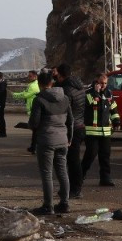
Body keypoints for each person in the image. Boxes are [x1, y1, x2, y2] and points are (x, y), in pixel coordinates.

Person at [28, 70, 72, 215]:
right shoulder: (65, 98)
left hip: (46, 140)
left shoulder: (39, 99)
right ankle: (64, 203)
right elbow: (70, 121)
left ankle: (48, 206)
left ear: (40, 84)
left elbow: (34, 122)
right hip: (63, 140)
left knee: (47, 174)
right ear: (52, 82)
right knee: (62, 171)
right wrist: (69, 139)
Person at [53, 64, 88, 198]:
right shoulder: (79, 86)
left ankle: (75, 189)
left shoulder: (65, 90)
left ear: (60, 75)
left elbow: (63, 111)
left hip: (71, 128)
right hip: (79, 125)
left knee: (71, 161)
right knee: (72, 160)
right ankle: (71, 188)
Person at [83, 72, 120, 186]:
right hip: (92, 132)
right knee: (90, 156)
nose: (103, 85)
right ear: (96, 82)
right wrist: (96, 92)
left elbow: (113, 109)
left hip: (106, 132)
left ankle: (105, 179)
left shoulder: (109, 94)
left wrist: (116, 121)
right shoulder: (89, 93)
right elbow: (89, 103)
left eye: (105, 83)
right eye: (101, 83)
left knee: (105, 157)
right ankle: (79, 177)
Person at [12, 70, 40, 149]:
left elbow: (25, 94)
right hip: (32, 108)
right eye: (28, 76)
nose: (29, 77)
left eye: (30, 76)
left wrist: (14, 95)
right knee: (35, 129)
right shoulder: (32, 84)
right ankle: (34, 146)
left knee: (35, 130)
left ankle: (34, 147)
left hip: (33, 109)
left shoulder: (33, 86)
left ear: (35, 76)